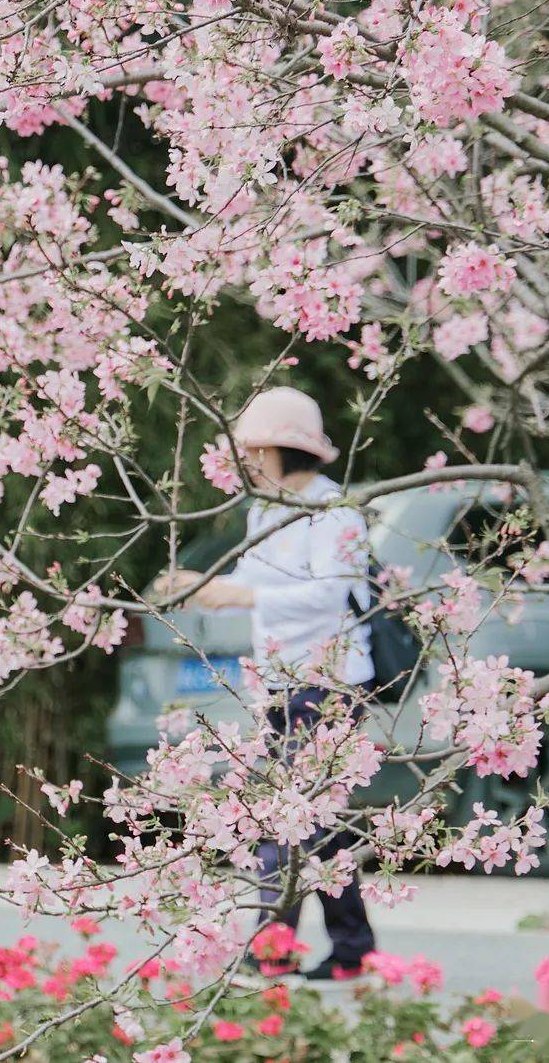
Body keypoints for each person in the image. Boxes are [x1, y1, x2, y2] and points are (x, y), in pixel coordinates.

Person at [162, 385, 377, 980]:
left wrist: (243, 593)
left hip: (330, 685)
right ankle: (350, 950)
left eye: (257, 449)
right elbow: (251, 584)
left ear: (286, 450)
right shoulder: (266, 511)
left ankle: (272, 950)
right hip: (280, 685)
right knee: (316, 823)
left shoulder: (336, 512)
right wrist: (205, 587)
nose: (249, 460)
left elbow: (330, 592)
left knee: (289, 816)